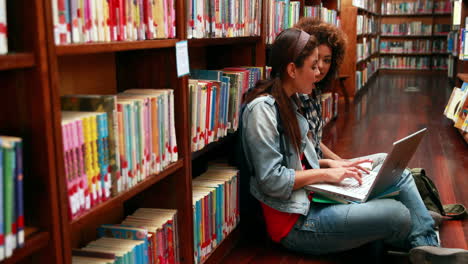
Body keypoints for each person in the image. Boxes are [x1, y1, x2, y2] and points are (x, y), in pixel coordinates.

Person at [240, 27, 468, 263]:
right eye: (313, 66)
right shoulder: (263, 110)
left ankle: (426, 244)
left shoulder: (292, 100)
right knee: (397, 214)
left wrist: (343, 165)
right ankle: (415, 227)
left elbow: (302, 161)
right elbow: (272, 180)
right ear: (291, 70)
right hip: (296, 222)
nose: (319, 72)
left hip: (314, 197)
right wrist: (329, 175)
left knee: (396, 173)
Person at [294, 17, 387, 168]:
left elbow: (314, 143)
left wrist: (341, 162)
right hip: (316, 173)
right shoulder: (294, 96)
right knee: (396, 173)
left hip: (324, 167)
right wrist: (337, 166)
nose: (321, 66)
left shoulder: (315, 91)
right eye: (316, 59)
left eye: (327, 60)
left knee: (387, 163)